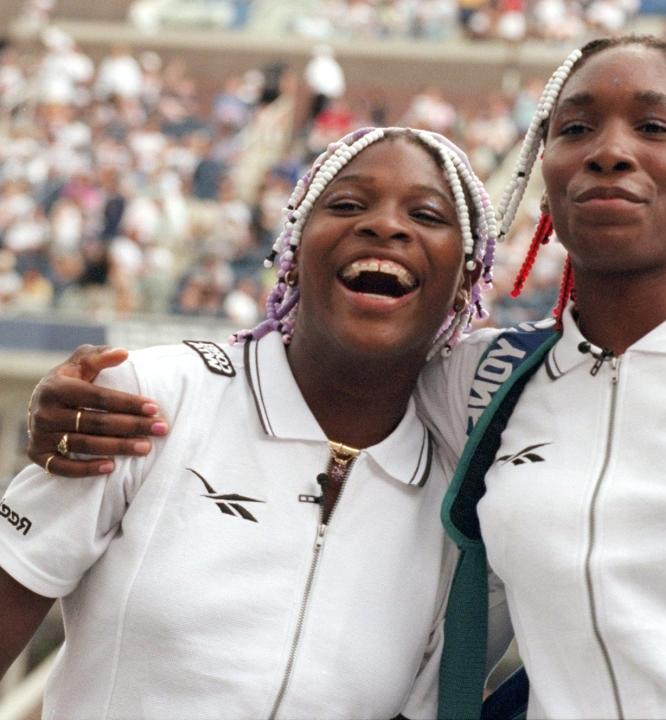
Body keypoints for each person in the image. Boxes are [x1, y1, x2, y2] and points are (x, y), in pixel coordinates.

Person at [22, 36, 666, 718]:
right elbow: (336, 360)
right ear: (543, 180)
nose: (610, 149)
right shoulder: (486, 386)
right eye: (576, 126)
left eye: (655, 126)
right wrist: (87, 398)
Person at [0, 126, 505, 718]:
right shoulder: (146, 400)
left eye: (426, 215)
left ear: (466, 280)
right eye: (346, 204)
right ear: (291, 253)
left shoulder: (464, 505)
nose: (386, 226)